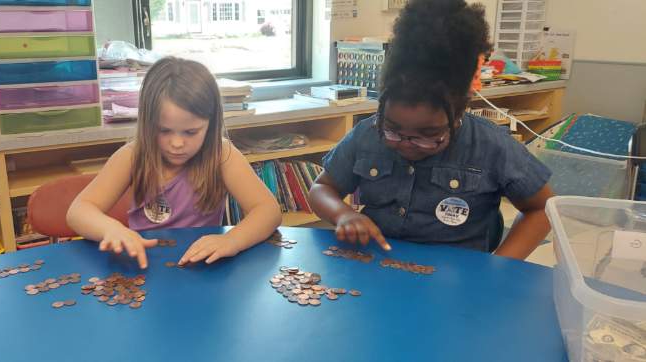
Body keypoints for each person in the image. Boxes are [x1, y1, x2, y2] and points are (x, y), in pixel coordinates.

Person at [308, 0, 553, 260]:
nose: (406, 143)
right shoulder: (367, 133)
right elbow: (321, 189)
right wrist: (343, 213)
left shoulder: (492, 145)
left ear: (459, 111)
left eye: (429, 135)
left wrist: (500, 266)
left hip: (458, 279)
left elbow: (542, 209)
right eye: (392, 129)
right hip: (377, 267)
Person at [67, 57, 282, 268]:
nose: (177, 143)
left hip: (202, 266)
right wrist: (110, 228)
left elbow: (268, 210)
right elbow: (78, 211)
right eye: (164, 130)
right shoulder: (131, 155)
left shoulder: (221, 153)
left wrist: (232, 240)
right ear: (147, 124)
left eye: (191, 132)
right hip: (146, 267)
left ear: (211, 124)